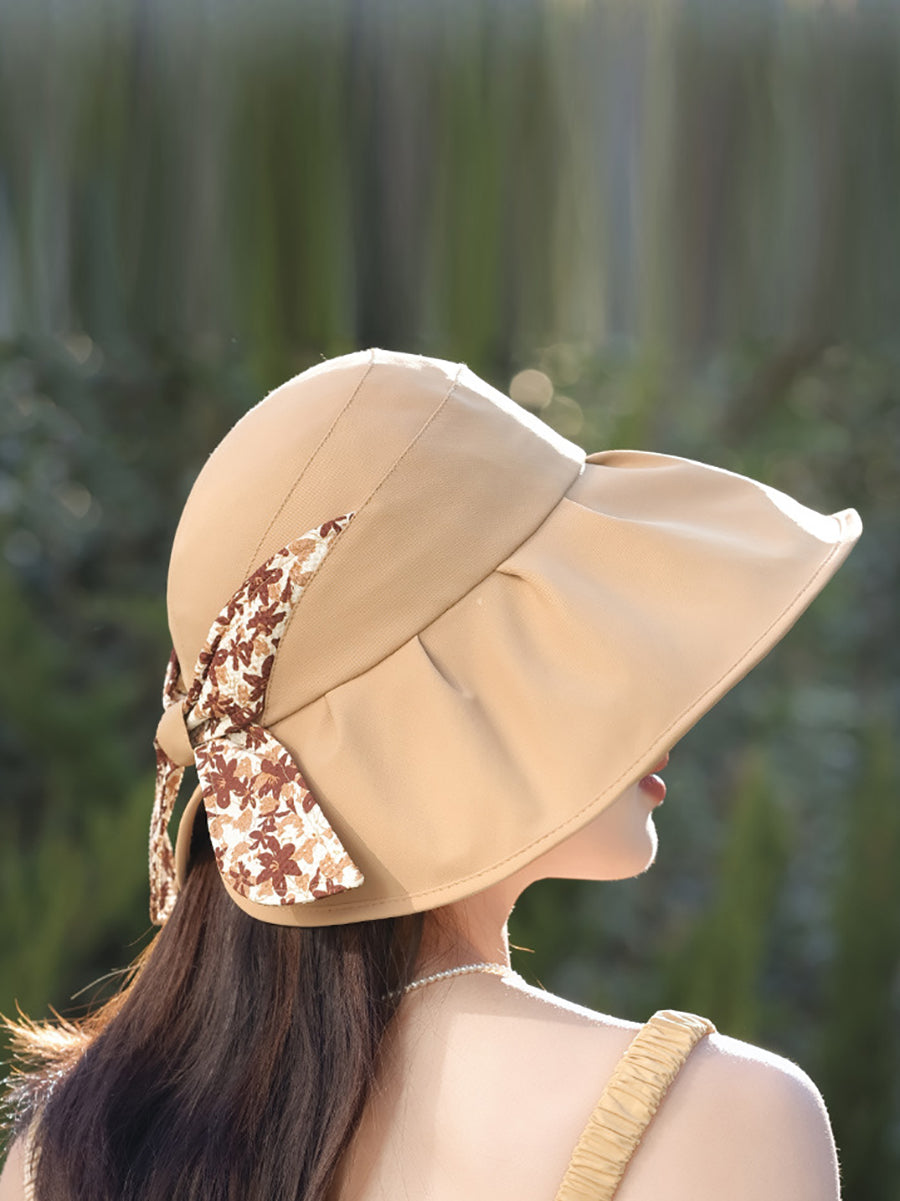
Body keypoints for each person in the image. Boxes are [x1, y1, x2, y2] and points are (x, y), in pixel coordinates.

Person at [0, 348, 861, 1201]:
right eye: (579, 633)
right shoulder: (717, 1120)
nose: (663, 709)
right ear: (448, 702)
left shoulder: (53, 1158)